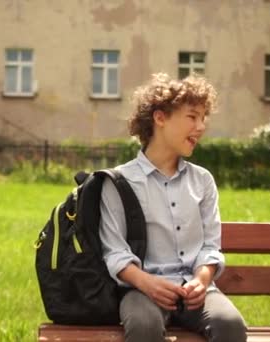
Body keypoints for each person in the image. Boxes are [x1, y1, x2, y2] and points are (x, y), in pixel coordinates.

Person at [99, 73, 247, 342]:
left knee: (230, 324)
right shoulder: (119, 182)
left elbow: (210, 246)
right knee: (144, 326)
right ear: (160, 118)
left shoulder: (202, 181)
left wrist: (202, 280)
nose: (201, 126)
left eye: (204, 118)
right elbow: (114, 251)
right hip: (141, 290)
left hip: (195, 291)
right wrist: (147, 283)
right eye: (192, 117)